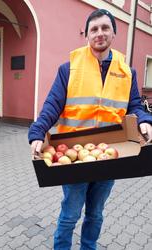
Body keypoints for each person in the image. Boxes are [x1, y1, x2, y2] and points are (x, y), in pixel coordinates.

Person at [28, 9, 152, 250]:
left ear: (114, 33)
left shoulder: (127, 72)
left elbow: (135, 104)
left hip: (110, 155)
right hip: (74, 157)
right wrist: (37, 132)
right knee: (70, 214)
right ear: (86, 35)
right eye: (94, 29)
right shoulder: (69, 68)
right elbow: (53, 104)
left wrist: (145, 120)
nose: (99, 33)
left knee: (95, 214)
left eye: (105, 28)